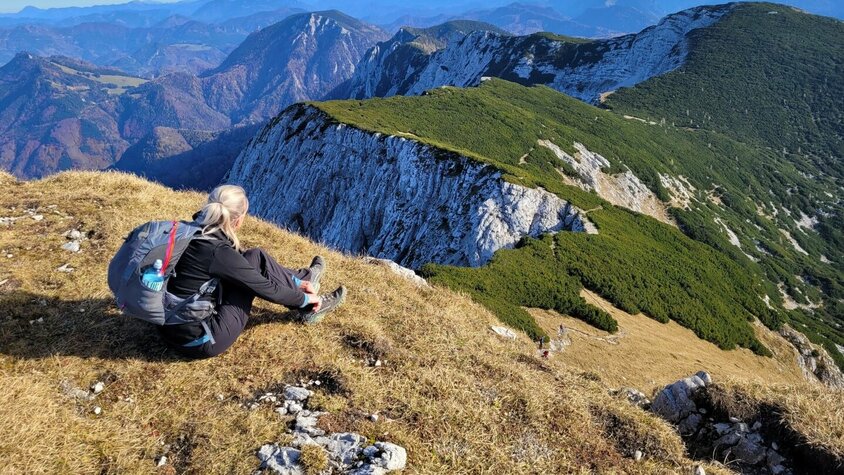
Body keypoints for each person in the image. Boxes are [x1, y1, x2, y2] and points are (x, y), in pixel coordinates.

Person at [159, 184, 346, 359]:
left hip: (167, 324)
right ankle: (312, 308)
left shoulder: (188, 231)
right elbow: (267, 289)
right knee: (251, 280)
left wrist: (296, 284)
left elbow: (241, 261)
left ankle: (304, 279)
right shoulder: (217, 252)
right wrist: (305, 299)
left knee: (255, 255)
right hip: (199, 339)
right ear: (238, 220)